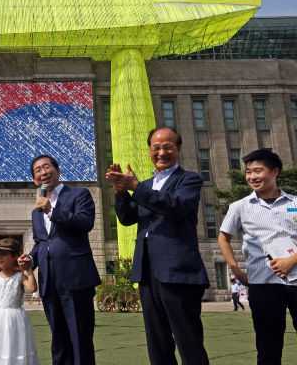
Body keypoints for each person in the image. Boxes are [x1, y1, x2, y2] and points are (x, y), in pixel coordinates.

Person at [106, 127, 210, 365]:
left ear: (179, 149)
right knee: (157, 340)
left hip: (178, 271)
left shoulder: (189, 179)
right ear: (150, 150)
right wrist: (121, 192)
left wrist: (136, 187)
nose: (162, 152)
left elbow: (177, 205)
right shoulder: (145, 184)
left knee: (188, 341)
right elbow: (127, 218)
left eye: (168, 146)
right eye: (157, 147)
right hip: (147, 270)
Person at [18, 154, 101, 365]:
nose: (43, 172)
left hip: (75, 278)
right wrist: (30, 260)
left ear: (57, 170)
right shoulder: (36, 212)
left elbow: (85, 222)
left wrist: (52, 211)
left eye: (47, 167)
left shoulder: (79, 195)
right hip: (49, 282)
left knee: (80, 339)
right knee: (59, 340)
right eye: (38, 170)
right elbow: (41, 243)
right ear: (35, 180)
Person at [218, 149, 297, 365]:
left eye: (258, 171)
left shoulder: (295, 203)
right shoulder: (240, 207)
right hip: (263, 284)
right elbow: (223, 238)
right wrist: (236, 271)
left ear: (275, 172)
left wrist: (292, 260)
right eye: (248, 172)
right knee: (268, 346)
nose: (252, 176)